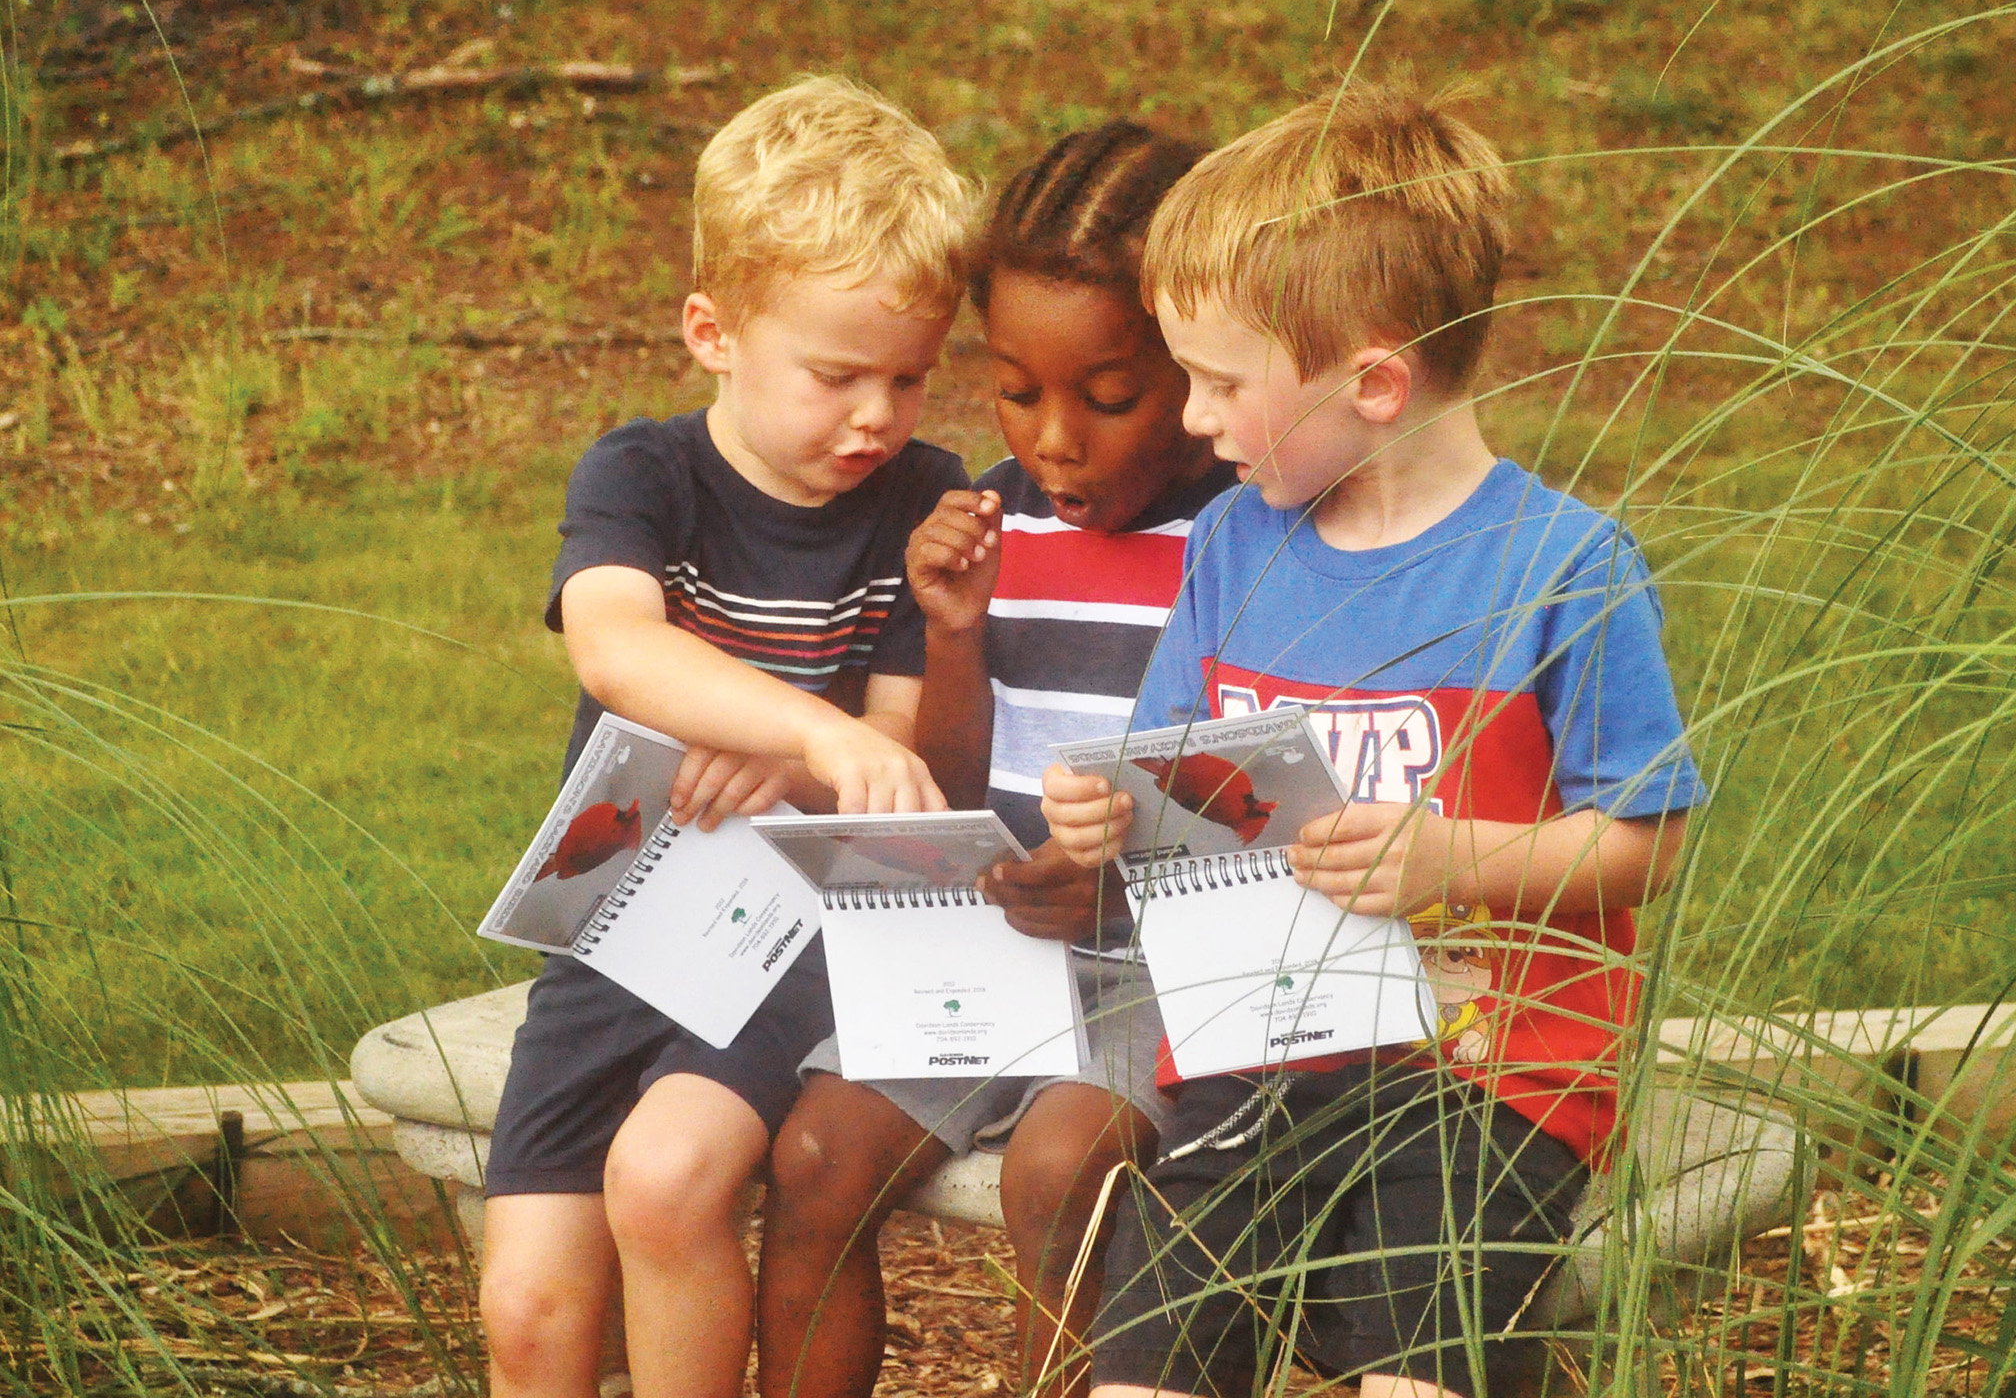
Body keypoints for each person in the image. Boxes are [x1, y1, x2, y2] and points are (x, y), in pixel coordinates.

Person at [1040, 83, 1707, 1398]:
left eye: (1224, 382)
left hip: (1492, 1073)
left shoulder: (1566, 569)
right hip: (1259, 1050)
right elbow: (1167, 766)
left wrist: (1451, 857)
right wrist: (1101, 810)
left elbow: (1649, 842)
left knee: (1415, 1378)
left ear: (1378, 382)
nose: (1192, 417)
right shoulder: (1237, 545)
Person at [478, 75, 975, 1398]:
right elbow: (616, 649)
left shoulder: (922, 498)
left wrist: (816, 749)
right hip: (620, 916)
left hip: (785, 930)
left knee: (664, 1181)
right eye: (835, 374)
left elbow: (891, 735)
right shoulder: (642, 477)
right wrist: (805, 727)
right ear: (713, 331)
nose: (876, 413)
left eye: (909, 377)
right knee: (530, 1307)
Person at [758, 122, 1234, 1398]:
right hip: (991, 942)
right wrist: (956, 635)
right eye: (1017, 391)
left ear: (1199, 363)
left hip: (1161, 964)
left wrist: (1120, 890)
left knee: (1061, 1172)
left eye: (1109, 396)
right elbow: (957, 783)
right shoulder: (995, 517)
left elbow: (1262, 804)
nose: (1054, 439)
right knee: (812, 1165)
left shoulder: (1245, 539)